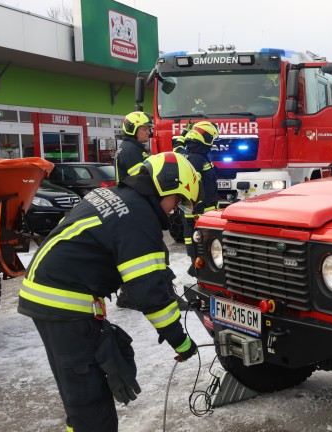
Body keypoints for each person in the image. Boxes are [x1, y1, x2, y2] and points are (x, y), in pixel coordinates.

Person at [18, 152, 200, 432]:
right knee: (90, 401)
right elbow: (148, 292)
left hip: (47, 294)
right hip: (66, 304)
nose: (175, 209)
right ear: (165, 185)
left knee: (78, 394)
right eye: (178, 200)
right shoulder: (139, 219)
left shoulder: (116, 196)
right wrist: (181, 341)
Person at [114, 111, 187, 310]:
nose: (148, 132)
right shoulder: (131, 151)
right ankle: (167, 296)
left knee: (135, 254)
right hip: (138, 208)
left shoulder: (131, 148)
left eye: (148, 129)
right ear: (133, 130)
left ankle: (127, 296)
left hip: (132, 207)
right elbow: (145, 182)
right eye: (144, 129)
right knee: (157, 252)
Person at [173, 121, 219, 273]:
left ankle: (196, 264)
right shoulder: (197, 159)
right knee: (199, 241)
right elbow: (195, 187)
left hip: (194, 210)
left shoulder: (186, 153)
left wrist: (184, 132)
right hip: (199, 211)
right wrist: (197, 212)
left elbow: (177, 146)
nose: (212, 145)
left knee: (194, 238)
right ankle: (197, 266)